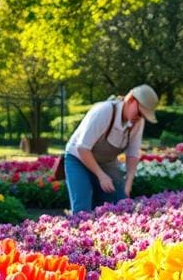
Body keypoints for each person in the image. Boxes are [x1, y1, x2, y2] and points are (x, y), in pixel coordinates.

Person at [63, 85, 158, 214]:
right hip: (78, 159)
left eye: (143, 115)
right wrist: (101, 176)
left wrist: (128, 182)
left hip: (106, 163)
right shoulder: (104, 111)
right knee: (82, 209)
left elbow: (133, 153)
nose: (140, 117)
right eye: (140, 112)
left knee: (121, 203)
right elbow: (82, 148)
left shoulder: (137, 121)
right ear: (131, 101)